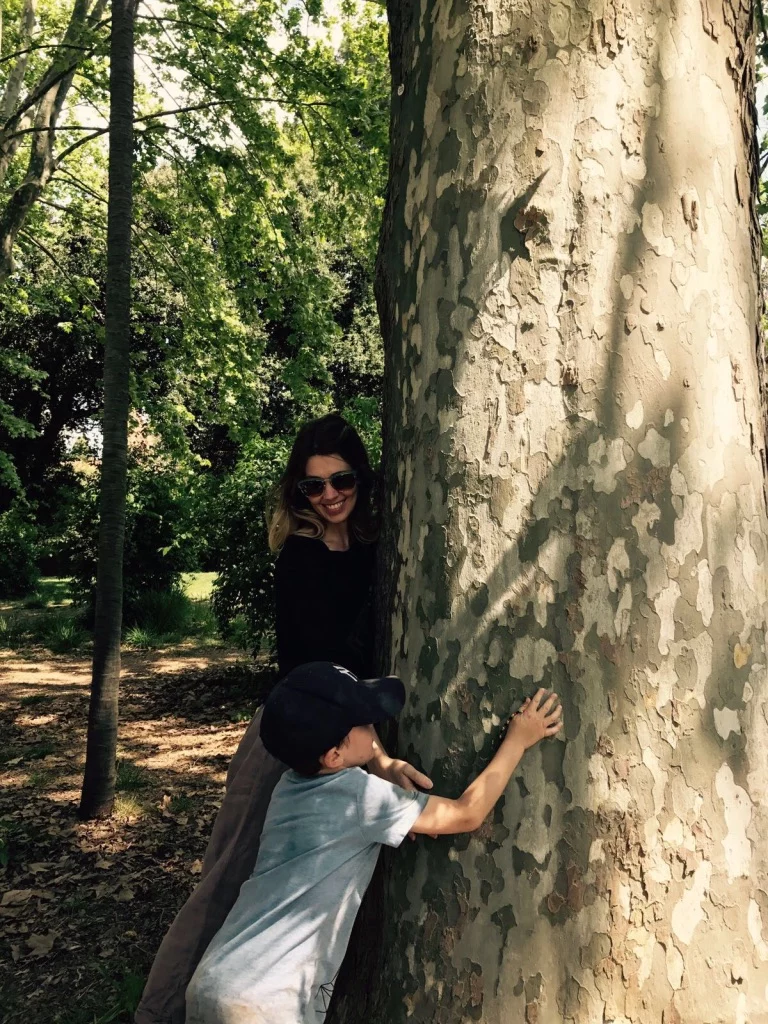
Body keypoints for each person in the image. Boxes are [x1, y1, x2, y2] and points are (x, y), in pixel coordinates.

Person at [135, 415, 430, 1024]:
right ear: (297, 493)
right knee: (231, 874)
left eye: (341, 480)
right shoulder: (300, 556)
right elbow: (312, 670)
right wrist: (375, 756)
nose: (328, 496)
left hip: (349, 733)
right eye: (311, 487)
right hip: (294, 735)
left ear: (362, 479)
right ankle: (157, 1012)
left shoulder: (377, 547)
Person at [185, 662, 563, 1024]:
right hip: (267, 1002)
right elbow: (467, 813)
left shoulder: (289, 784)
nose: (375, 724)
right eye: (363, 722)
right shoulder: (362, 800)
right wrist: (519, 739)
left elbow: (347, 756)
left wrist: (380, 762)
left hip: (217, 975)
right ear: (334, 755)